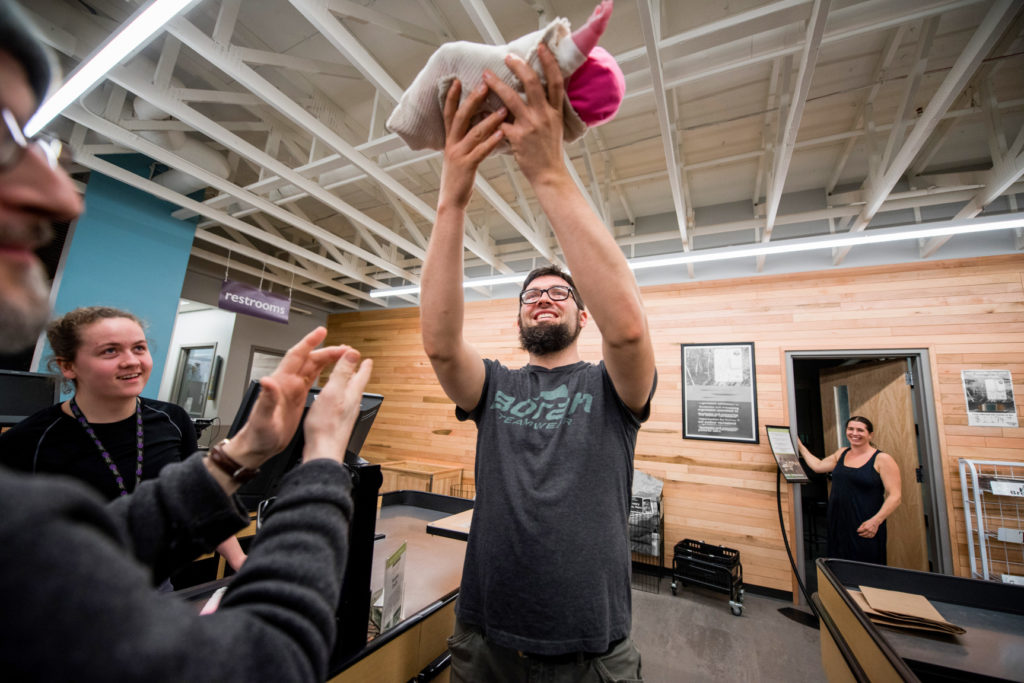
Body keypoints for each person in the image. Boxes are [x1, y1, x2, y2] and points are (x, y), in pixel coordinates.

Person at [0, 4, 374, 679]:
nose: (62, 195)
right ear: (66, 366)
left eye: (38, 144)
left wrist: (241, 456)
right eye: (3, 138)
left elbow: (77, 548)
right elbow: (270, 662)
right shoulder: (30, 443)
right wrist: (321, 459)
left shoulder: (167, 421)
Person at [419, 37, 656, 682]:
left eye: (560, 294)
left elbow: (630, 331)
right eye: (532, 296)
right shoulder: (494, 386)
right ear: (520, 319)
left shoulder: (612, 388)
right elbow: (441, 345)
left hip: (591, 653)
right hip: (488, 641)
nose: (544, 300)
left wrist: (549, 173)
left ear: (584, 316)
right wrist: (452, 201)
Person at [0, 306, 247, 573]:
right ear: (68, 366)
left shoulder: (173, 420)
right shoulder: (27, 441)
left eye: (139, 348)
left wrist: (240, 561)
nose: (132, 361)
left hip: (156, 583)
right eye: (110, 351)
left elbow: (199, 499)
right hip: (68, 589)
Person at [386, 0, 623, 152]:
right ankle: (415, 124)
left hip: (477, 92)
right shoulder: (544, 131)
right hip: (478, 126)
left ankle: (410, 120)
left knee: (450, 55)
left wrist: (590, 32)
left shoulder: (542, 72)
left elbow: (561, 57)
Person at [797, 416, 902, 565]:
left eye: (860, 430)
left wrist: (876, 521)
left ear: (870, 434)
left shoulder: (882, 459)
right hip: (838, 522)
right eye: (850, 429)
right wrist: (800, 446)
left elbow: (895, 496)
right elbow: (818, 466)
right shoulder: (842, 453)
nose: (854, 433)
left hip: (865, 524)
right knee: (838, 566)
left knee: (865, 569)